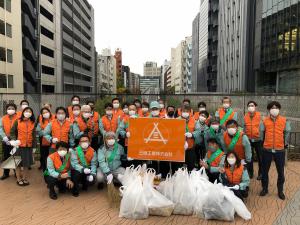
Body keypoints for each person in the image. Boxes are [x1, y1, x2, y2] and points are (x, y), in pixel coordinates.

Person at [259, 101, 291, 200]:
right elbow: (261, 133)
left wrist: (284, 142)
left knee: (281, 172)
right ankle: (264, 188)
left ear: (279, 109)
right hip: (267, 149)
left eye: (276, 107)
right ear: (269, 110)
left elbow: (287, 132)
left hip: (279, 149)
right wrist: (263, 143)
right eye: (272, 107)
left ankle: (280, 191)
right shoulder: (264, 121)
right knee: (265, 171)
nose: (274, 109)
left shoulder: (284, 120)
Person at [10, 107, 36, 186]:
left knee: (26, 164)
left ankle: (24, 178)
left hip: (28, 146)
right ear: (23, 112)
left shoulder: (32, 122)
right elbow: (12, 132)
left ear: (31, 114)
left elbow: (34, 135)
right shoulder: (17, 121)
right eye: (26, 111)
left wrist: (34, 147)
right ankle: (18, 179)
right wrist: (14, 140)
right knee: (18, 164)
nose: (28, 112)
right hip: (18, 145)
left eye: (29, 111)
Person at [243, 101, 263, 180]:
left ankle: (261, 173)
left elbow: (263, 128)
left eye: (252, 105)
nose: (251, 107)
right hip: (248, 140)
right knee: (249, 157)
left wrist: (261, 137)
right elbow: (243, 127)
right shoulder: (245, 116)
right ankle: (250, 172)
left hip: (258, 140)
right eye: (249, 105)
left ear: (256, 107)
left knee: (260, 157)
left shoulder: (260, 116)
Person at [177, 105, 200, 172]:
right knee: (179, 167)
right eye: (184, 111)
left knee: (190, 166)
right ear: (181, 112)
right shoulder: (176, 120)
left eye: (187, 111)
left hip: (190, 147)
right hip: (179, 148)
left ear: (190, 112)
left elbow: (198, 131)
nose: (185, 113)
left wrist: (192, 134)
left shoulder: (194, 121)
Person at [0, 103, 18, 180]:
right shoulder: (3, 118)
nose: (10, 110)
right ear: (6, 110)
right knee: (6, 156)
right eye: (9, 108)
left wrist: (16, 139)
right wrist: (4, 137)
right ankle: (6, 173)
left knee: (15, 156)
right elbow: (0, 128)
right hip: (6, 140)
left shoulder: (19, 117)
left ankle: (16, 172)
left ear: (15, 109)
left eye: (12, 108)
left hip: (15, 140)